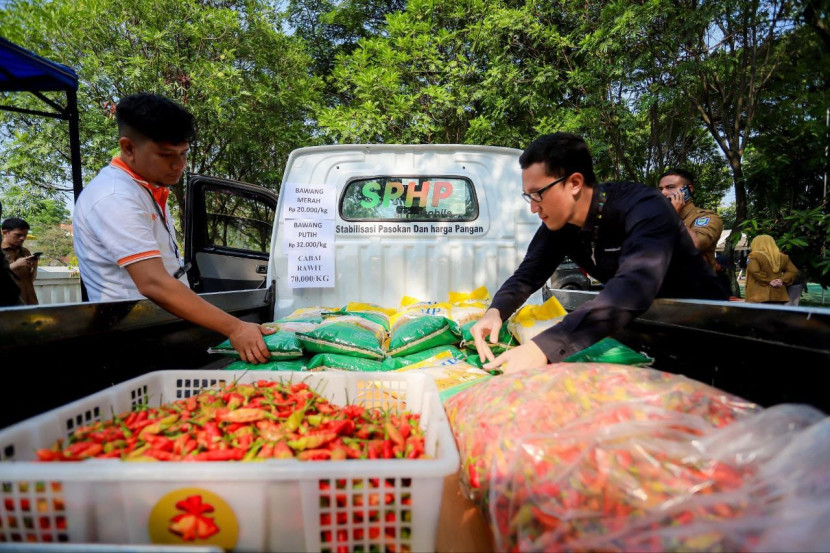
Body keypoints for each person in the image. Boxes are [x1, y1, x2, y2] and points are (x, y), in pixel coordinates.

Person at [471, 133, 728, 374]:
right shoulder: (559, 225)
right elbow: (528, 275)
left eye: (538, 194)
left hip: (706, 329)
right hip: (641, 326)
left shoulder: (645, 207)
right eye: (529, 197)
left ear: (574, 183)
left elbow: (634, 286)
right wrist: (496, 312)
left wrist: (543, 347)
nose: (534, 208)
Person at [73, 93, 273, 363]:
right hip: (130, 341)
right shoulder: (115, 196)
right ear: (128, 148)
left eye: (183, 153)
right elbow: (153, 282)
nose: (179, 165)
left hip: (157, 328)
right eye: (166, 155)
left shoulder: (147, 189)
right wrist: (235, 328)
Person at [657, 168, 723, 271]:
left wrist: (673, 215)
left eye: (670, 187)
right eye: (661, 189)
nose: (663, 193)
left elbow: (695, 244)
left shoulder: (707, 217)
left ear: (689, 189)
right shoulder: (658, 219)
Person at [744, 235, 798, 304]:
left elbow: (754, 271)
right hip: (778, 294)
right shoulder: (783, 256)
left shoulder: (753, 256)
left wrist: (769, 281)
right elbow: (793, 271)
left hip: (759, 295)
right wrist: (780, 280)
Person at [1, 217, 39, 305]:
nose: (22, 238)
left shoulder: (25, 251)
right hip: (10, 304)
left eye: (24, 235)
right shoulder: (1, 252)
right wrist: (16, 265)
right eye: (18, 235)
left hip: (30, 302)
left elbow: (30, 279)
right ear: (5, 232)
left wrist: (35, 266)